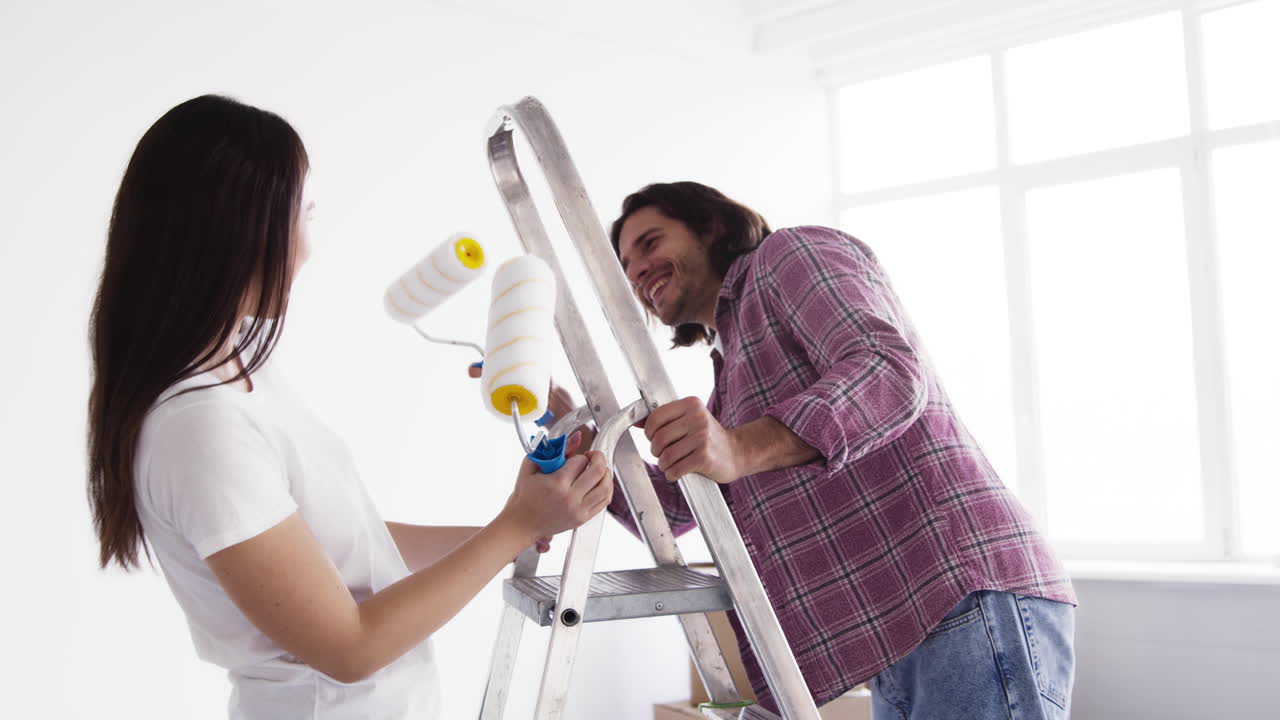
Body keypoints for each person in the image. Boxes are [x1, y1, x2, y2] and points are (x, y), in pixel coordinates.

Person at [86, 94, 612, 720]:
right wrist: (513, 529)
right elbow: (349, 648)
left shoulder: (238, 373)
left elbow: (332, 549)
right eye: (301, 216)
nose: (307, 246)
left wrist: (510, 529)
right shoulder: (200, 427)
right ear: (237, 230)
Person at [605, 181, 1076, 720]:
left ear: (710, 227)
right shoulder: (733, 376)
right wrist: (580, 448)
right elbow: (672, 509)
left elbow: (889, 371)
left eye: (650, 242)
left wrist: (737, 446)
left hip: (958, 592)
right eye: (626, 264)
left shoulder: (787, 256)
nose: (636, 270)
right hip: (902, 632)